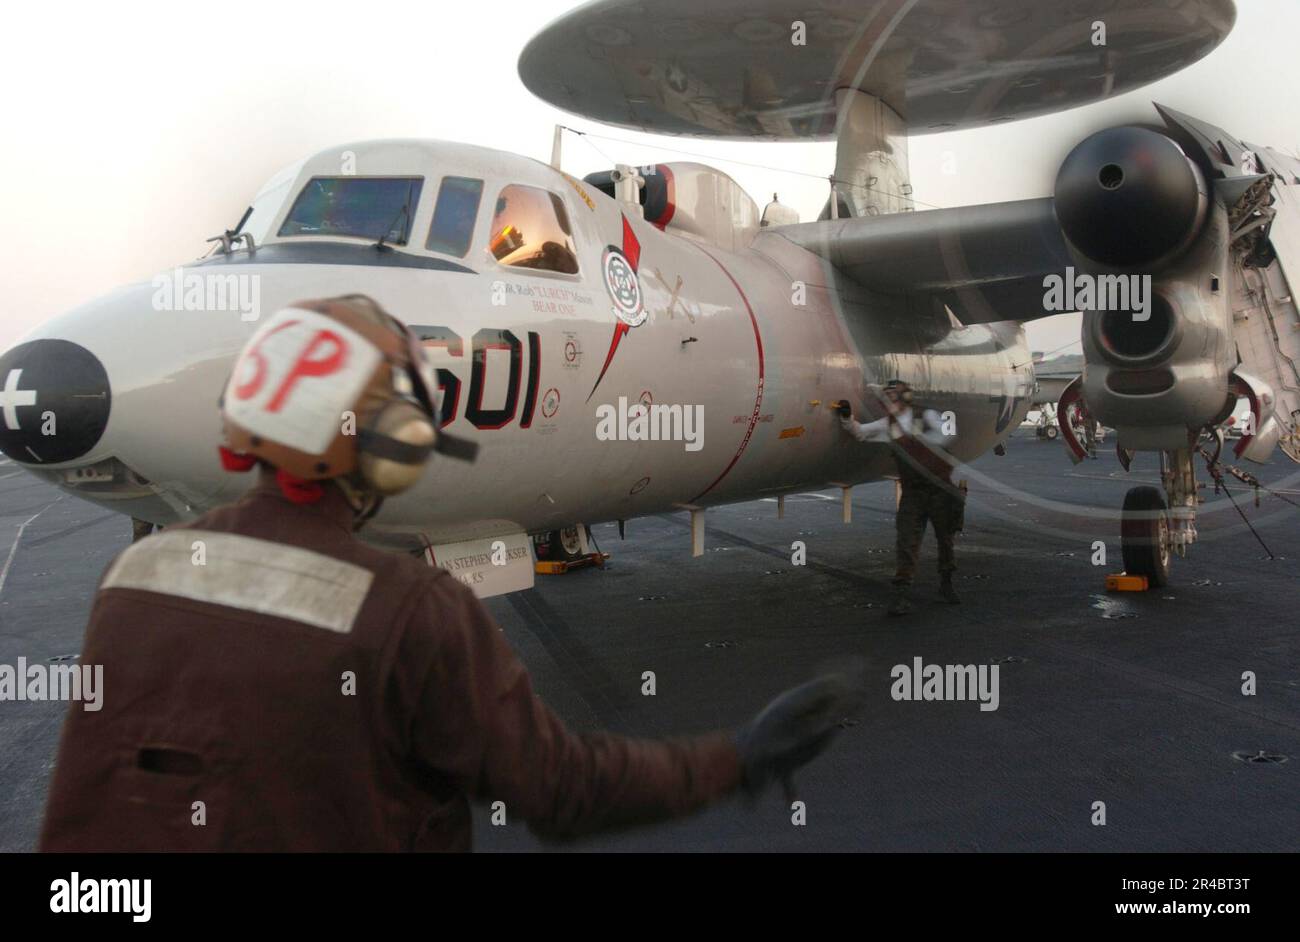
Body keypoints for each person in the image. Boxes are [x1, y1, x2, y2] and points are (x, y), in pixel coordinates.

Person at [40, 295, 863, 852]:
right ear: (392, 443)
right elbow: (563, 791)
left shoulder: (133, 580)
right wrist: (738, 757)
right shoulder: (408, 612)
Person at [837, 380, 964, 616]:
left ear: (906, 397)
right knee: (906, 542)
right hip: (913, 492)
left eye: (892, 396)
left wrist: (910, 437)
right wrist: (846, 419)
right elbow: (861, 433)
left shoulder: (927, 416)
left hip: (939, 490)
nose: (887, 401)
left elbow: (947, 436)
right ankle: (902, 593)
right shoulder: (889, 424)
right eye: (885, 397)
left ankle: (946, 582)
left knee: (945, 540)